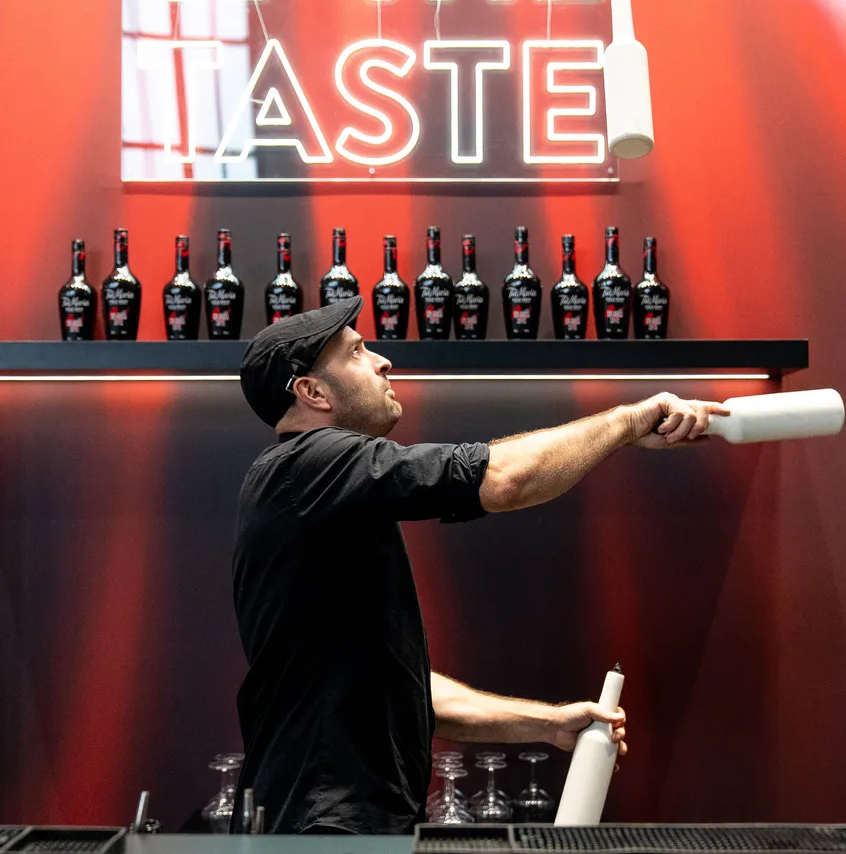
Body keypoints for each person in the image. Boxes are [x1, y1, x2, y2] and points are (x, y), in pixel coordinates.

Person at [232, 297, 727, 835]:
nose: (382, 362)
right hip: (322, 831)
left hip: (341, 823)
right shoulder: (309, 464)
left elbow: (406, 691)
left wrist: (549, 723)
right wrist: (629, 421)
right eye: (356, 352)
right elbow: (503, 479)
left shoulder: (327, 497)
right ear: (312, 392)